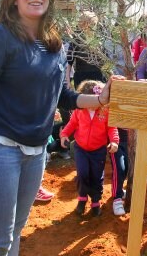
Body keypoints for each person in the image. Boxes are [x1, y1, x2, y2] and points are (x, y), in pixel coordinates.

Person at [0, 0, 117, 256]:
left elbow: (62, 95)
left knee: (16, 231)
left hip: (36, 152)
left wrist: (101, 100)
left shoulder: (54, 44)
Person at [60, 80, 119, 217]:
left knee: (97, 177)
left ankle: (96, 202)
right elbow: (72, 123)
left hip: (98, 150)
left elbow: (112, 128)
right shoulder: (79, 111)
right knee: (82, 174)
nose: (92, 106)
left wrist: (114, 141)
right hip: (81, 148)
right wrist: (64, 134)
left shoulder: (106, 111)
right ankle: (82, 198)